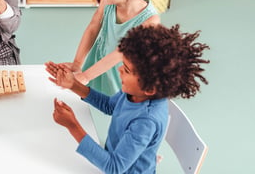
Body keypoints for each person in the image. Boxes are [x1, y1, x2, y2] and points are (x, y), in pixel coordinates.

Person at [46, 24, 209, 173]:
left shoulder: (146, 121)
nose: (119, 70)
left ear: (150, 88)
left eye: (127, 70)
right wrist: (73, 84)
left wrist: (73, 125)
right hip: (115, 156)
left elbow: (114, 168)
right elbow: (110, 106)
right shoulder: (135, 92)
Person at [55, 0, 161, 96]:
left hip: (122, 75)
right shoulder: (108, 2)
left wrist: (85, 76)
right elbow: (93, 27)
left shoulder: (150, 21)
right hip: (99, 64)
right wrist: (77, 64)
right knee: (92, 101)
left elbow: (120, 53)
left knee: (115, 107)